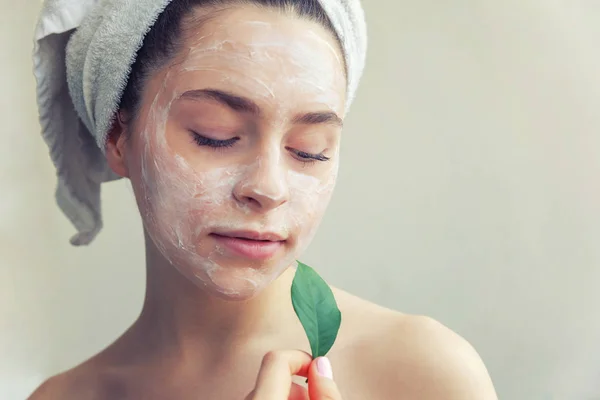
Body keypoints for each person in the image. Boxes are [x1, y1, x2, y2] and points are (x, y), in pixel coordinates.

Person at [29, 0, 498, 398]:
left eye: (309, 150)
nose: (269, 189)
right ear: (117, 135)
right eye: (215, 136)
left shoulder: (422, 373)